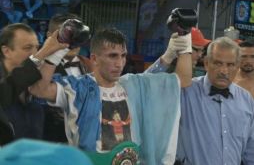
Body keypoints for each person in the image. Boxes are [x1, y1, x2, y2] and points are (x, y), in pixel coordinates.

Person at [30, 28, 192, 165]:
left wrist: (184, 46)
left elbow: (182, 80)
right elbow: (39, 89)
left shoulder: (132, 85)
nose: (119, 63)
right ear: (94, 58)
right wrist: (55, 55)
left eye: (123, 56)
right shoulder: (79, 88)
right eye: (113, 56)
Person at [176, 37, 254, 165]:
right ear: (206, 63)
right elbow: (144, 91)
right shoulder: (187, 92)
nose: (224, 71)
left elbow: (251, 151)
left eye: (230, 65)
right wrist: (166, 59)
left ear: (237, 66)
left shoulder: (246, 100)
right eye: (218, 63)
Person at [0, 23, 67, 145]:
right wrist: (43, 53)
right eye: (27, 48)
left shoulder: (39, 85)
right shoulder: (8, 88)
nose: (35, 52)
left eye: (37, 47)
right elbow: (8, 89)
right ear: (6, 51)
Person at [42, 13, 92, 143]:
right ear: (49, 36)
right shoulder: (39, 70)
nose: (72, 41)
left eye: (77, 35)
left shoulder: (92, 66)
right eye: (67, 35)